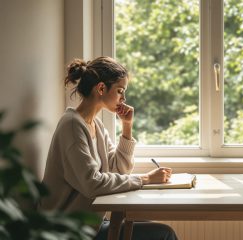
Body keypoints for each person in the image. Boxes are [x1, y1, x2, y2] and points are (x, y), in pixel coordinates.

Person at [39, 56, 178, 240]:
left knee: (156, 228)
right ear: (101, 88)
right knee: (163, 234)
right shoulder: (72, 126)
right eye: (120, 91)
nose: (124, 98)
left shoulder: (95, 124)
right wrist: (146, 178)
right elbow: (92, 184)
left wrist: (127, 127)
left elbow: (120, 169)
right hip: (67, 232)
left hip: (91, 224)